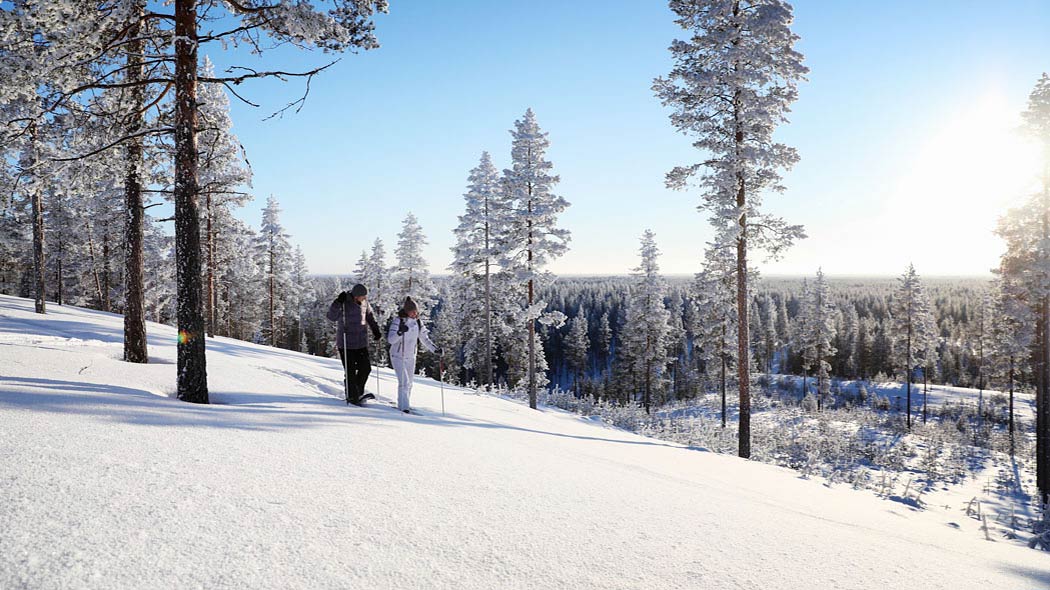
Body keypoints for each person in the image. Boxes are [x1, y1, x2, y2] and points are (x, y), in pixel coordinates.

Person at [326, 284, 381, 405]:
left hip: (361, 342)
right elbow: (331, 316)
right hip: (347, 343)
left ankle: (358, 392)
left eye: (365, 296)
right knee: (350, 372)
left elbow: (370, 317)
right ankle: (352, 396)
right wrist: (337, 302)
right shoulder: (344, 303)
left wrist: (376, 330)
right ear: (356, 296)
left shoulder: (365, 303)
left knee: (366, 368)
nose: (364, 298)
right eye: (362, 296)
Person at [387, 296, 438, 413]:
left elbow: (425, 339)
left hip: (411, 356)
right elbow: (391, 340)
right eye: (412, 312)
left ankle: (406, 404)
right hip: (397, 356)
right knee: (404, 382)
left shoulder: (418, 323)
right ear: (406, 311)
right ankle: (403, 407)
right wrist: (400, 332)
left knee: (409, 383)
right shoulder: (398, 321)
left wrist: (435, 350)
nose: (415, 314)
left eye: (416, 311)